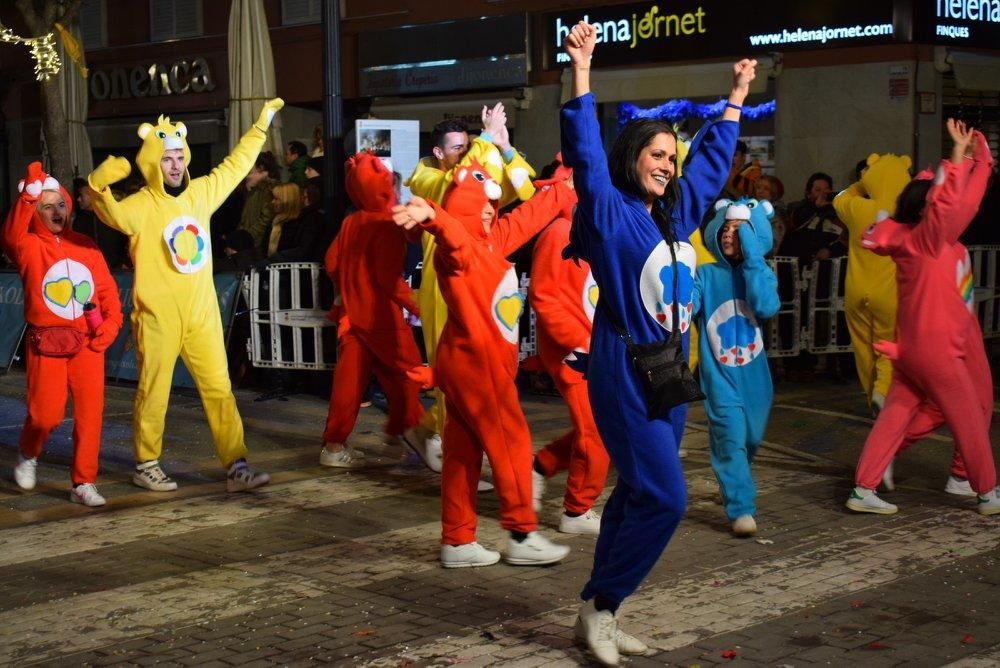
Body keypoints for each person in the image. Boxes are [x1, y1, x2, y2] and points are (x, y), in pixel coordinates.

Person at [560, 21, 754, 666]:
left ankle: (597, 609)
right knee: (666, 498)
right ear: (633, 155)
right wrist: (582, 72)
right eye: (658, 155)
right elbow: (585, 155)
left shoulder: (672, 214)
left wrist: (733, 100)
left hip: (670, 370)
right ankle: (604, 608)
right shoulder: (610, 212)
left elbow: (710, 169)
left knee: (637, 493)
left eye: (672, 157)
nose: (669, 166)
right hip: (623, 366)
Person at [86, 99, 283, 493]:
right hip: (158, 317)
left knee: (219, 389)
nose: (175, 164)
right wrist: (98, 187)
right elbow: (114, 217)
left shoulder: (201, 194)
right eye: (166, 158)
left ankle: (236, 464)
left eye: (179, 156)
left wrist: (259, 127)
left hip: (201, 315)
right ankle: (146, 463)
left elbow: (235, 166)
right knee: (153, 391)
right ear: (152, 163)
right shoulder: (140, 205)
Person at [392, 159, 575, 568]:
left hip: (461, 366)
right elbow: (453, 238)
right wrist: (434, 217)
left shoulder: (491, 243)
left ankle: (457, 541)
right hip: (479, 369)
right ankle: (522, 534)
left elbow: (527, 217)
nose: (491, 211)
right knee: (511, 443)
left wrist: (563, 189)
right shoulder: (458, 253)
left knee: (461, 454)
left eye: (492, 204)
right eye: (482, 205)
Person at [846, 119, 1000, 516]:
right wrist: (960, 159)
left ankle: (864, 488)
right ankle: (986, 491)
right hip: (939, 351)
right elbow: (951, 203)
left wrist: (975, 163)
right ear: (927, 210)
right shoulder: (932, 241)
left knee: (894, 418)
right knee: (969, 418)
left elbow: (958, 203)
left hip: (909, 349)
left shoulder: (904, 238)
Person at [403, 108, 536, 471]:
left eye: (467, 147)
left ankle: (428, 431)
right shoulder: (425, 175)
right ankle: (456, 461)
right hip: (442, 286)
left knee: (478, 376)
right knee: (454, 374)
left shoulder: (477, 172)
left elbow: (523, 188)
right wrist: (486, 139)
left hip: (481, 283)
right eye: (457, 149)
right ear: (439, 152)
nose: (464, 155)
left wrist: (506, 148)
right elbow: (455, 184)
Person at [3, 162, 123, 506]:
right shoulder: (27, 246)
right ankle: (28, 451)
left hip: (87, 342)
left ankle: (83, 482)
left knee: (90, 415)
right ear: (35, 211)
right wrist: (28, 196)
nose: (56, 211)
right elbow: (10, 236)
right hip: (48, 343)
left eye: (61, 204)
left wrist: (110, 326)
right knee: (46, 415)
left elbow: (107, 293)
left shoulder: (86, 244)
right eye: (47, 206)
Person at [321, 152, 425, 467]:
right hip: (382, 318)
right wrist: (422, 307)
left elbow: (331, 262)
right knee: (410, 373)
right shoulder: (387, 222)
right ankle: (417, 435)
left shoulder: (351, 221)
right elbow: (389, 280)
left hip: (352, 317)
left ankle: (335, 446)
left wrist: (349, 288)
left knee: (349, 384)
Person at [527, 154, 609, 535]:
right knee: (597, 432)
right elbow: (545, 298)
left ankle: (542, 465)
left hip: (594, 350)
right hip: (574, 354)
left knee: (597, 428)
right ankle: (576, 511)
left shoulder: (588, 230)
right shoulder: (559, 233)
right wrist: (578, 344)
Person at [693, 197, 780, 536]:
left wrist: (753, 258)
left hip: (756, 379)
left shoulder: (760, 272)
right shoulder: (705, 273)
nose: (730, 234)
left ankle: (733, 481)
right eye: (726, 228)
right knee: (729, 439)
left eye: (739, 229)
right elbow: (689, 307)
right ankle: (741, 508)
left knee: (750, 439)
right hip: (719, 377)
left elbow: (766, 305)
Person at [832, 153, 911, 413]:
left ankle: (871, 397)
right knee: (888, 344)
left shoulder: (859, 209)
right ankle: (883, 391)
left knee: (863, 348)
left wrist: (861, 184)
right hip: (891, 291)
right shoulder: (908, 214)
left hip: (856, 289)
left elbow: (838, 198)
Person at [73, 178, 129, 269]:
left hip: (115, 270)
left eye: (81, 195)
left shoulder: (110, 217)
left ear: (91, 196)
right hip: (91, 271)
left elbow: (125, 241)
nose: (78, 199)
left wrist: (124, 262)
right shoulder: (78, 222)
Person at [238, 151, 280, 254]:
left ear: (260, 167)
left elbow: (265, 219)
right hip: (249, 241)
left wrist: (246, 236)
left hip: (256, 244)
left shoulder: (270, 189)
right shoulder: (255, 188)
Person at [266, 182, 302, 257]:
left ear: (288, 201)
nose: (272, 202)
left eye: (276, 199)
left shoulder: (298, 224)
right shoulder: (274, 222)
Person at [754, 174, 786, 255]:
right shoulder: (751, 210)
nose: (760, 191)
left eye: (766, 189)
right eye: (758, 187)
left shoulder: (776, 216)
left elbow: (772, 246)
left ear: (774, 192)